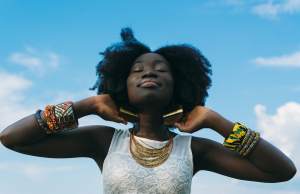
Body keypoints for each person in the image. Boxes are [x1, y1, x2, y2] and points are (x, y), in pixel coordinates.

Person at [0, 28, 296, 194]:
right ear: (121, 85)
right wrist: (85, 106)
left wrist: (216, 122)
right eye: (137, 70)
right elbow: (12, 138)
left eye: (160, 69)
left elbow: (282, 171)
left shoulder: (193, 149)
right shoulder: (104, 142)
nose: (148, 73)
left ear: (178, 85)